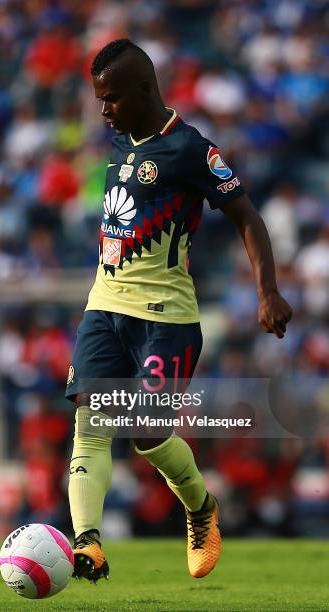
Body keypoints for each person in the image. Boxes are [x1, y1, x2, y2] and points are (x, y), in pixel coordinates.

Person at [65, 39, 292, 582]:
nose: (104, 109)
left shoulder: (191, 149)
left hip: (166, 317)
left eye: (113, 98)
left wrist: (267, 291)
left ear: (146, 90)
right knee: (91, 423)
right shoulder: (119, 139)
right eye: (100, 98)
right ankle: (86, 544)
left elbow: (246, 216)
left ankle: (200, 506)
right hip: (104, 305)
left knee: (145, 431)